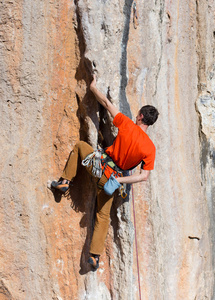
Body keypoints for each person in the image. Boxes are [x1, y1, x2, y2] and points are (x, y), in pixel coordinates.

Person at [51, 75, 158, 270]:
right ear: (150, 123)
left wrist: (92, 88)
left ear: (141, 116)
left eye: (138, 114)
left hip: (99, 168)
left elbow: (107, 104)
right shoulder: (150, 148)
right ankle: (94, 256)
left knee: (81, 146)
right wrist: (120, 180)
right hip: (111, 182)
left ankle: (65, 181)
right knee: (102, 216)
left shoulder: (127, 124)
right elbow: (144, 176)